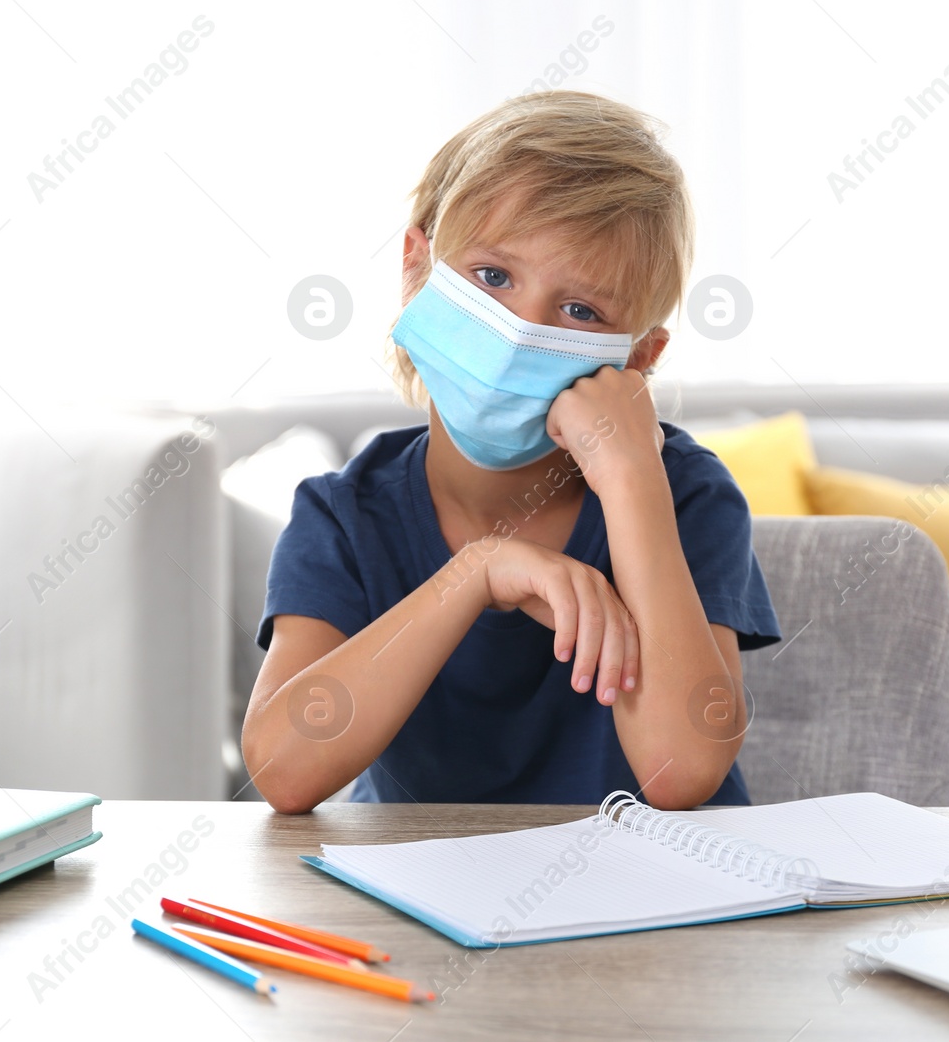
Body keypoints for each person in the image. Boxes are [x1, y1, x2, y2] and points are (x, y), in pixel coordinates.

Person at [243, 91, 780, 813]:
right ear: (416, 268)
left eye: (580, 310)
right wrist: (476, 572)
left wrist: (629, 480)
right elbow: (281, 767)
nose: (520, 332)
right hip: (422, 910)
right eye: (493, 276)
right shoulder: (343, 515)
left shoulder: (684, 495)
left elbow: (680, 773)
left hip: (655, 910)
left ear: (638, 357)